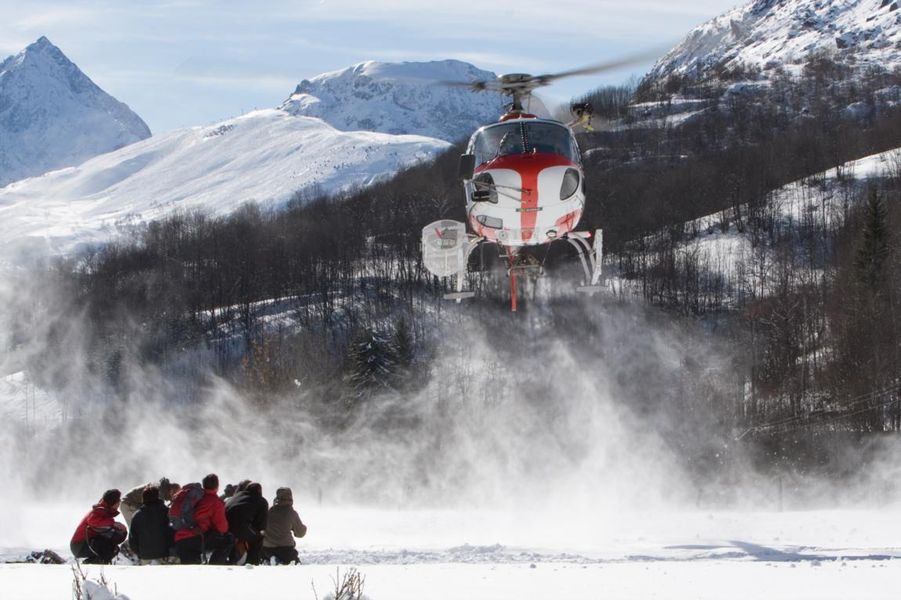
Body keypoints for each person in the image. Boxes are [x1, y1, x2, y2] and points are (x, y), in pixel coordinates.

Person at [173, 473, 233, 565]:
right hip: (196, 538)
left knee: (190, 569)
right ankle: (215, 567)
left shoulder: (196, 497)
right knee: (228, 539)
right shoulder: (215, 502)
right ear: (217, 486)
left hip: (180, 538)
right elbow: (222, 528)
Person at [70, 489, 127, 564]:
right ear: (113, 502)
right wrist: (113, 524)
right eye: (118, 500)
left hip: (83, 544)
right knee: (107, 548)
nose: (119, 502)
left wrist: (118, 528)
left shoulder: (104, 511)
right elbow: (92, 521)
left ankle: (92, 563)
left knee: (112, 548)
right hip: (79, 545)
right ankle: (93, 565)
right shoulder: (99, 511)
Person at [127, 485, 174, 564]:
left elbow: (132, 540)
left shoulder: (137, 515)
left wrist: (140, 554)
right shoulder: (167, 512)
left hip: (146, 556)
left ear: (143, 498)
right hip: (166, 555)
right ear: (158, 496)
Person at [225, 482, 268, 565]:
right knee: (258, 537)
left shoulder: (235, 497)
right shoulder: (261, 501)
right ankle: (252, 563)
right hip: (240, 527)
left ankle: (233, 559)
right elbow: (261, 524)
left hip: (225, 527)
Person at [262, 487, 307, 565]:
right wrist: (304, 528)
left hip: (267, 548)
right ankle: (280, 561)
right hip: (285, 548)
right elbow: (300, 533)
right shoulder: (291, 513)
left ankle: (271, 559)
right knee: (295, 564)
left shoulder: (269, 511)